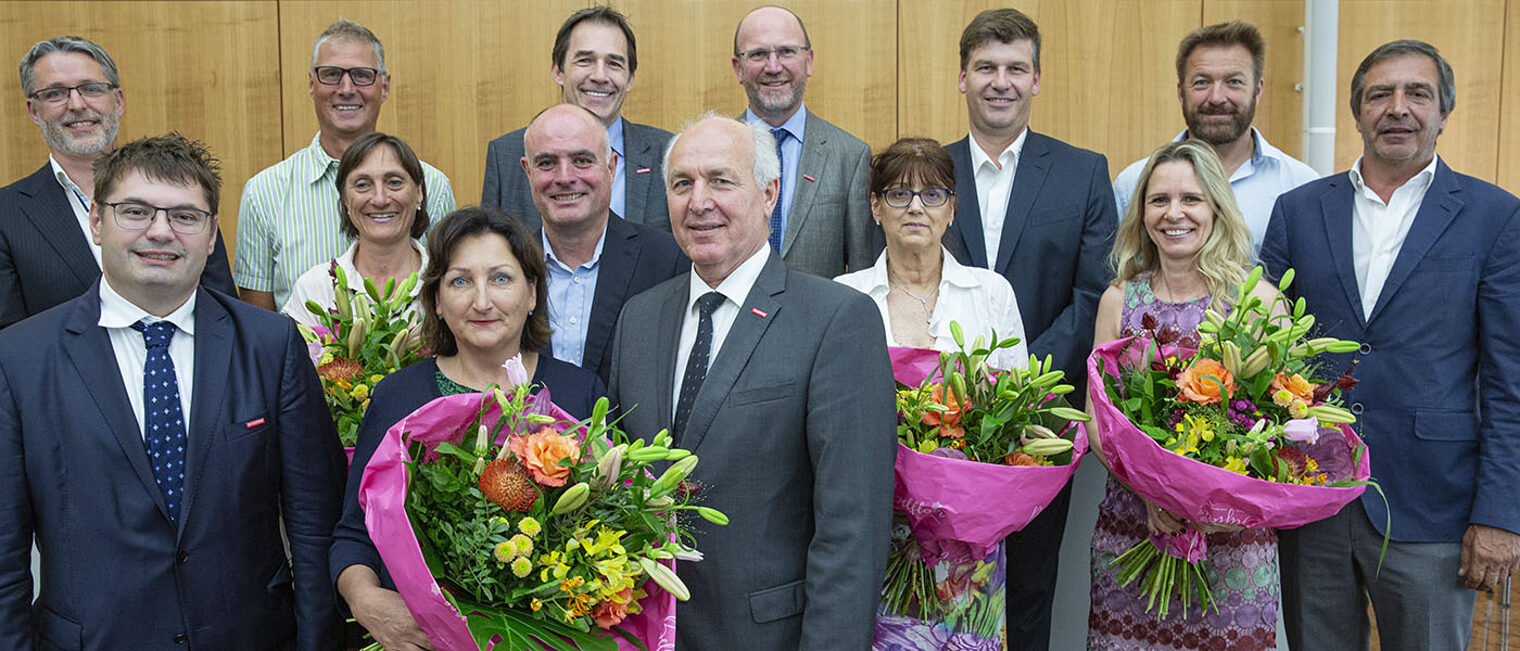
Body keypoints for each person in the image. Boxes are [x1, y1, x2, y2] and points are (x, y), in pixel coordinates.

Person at [0, 133, 344, 648]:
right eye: (135, 212)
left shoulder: (270, 345)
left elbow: (315, 523)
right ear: (97, 221)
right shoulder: (21, 357)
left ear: (210, 236)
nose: (161, 232)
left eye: (185, 216)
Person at [1262, 40, 1520, 651]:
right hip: (1311, 496)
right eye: (1380, 95)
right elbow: (1262, 348)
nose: (1397, 108)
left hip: (1432, 504)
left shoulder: (1495, 216)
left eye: (1417, 94)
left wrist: (1501, 513)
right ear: (1358, 112)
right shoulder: (1298, 211)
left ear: (1443, 113)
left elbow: (1511, 381)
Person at [606, 114, 896, 649]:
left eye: (721, 180)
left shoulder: (835, 319)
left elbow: (852, 528)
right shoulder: (638, 320)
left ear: (769, 193)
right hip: (644, 632)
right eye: (682, 183)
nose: (699, 202)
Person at [331, 206, 605, 650]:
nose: (482, 301)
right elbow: (353, 534)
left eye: (501, 278)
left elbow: (606, 532)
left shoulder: (578, 393)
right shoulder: (397, 398)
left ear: (532, 292)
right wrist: (365, 599)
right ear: (436, 299)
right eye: (460, 281)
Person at [943, 9, 1117, 645]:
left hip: (1043, 419)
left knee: (1033, 584)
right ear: (962, 77)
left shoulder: (1084, 172)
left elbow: (1093, 295)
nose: (1000, 81)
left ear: (1038, 79)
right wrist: (956, 391)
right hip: (937, 420)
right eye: (986, 67)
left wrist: (1018, 384)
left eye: (1016, 68)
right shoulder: (926, 173)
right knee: (944, 586)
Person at [1088, 140, 1281, 649]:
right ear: (1141, 212)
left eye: (1191, 199)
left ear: (1216, 206)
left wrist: (1206, 497)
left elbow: (1279, 420)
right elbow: (1098, 421)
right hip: (1134, 524)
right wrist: (1157, 492)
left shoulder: (1256, 299)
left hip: (1232, 541)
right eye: (1159, 200)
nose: (1174, 213)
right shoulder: (1119, 299)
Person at [0, 36, 235, 329]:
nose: (76, 104)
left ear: (118, 100)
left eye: (92, 89)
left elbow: (222, 310)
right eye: (55, 93)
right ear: (34, 111)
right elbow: (9, 342)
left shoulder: (180, 189)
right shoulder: (6, 213)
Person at [236, 19, 455, 311]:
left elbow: (453, 294)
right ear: (311, 85)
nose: (346, 88)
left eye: (362, 75)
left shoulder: (432, 184)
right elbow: (258, 326)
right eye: (331, 74)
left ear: (385, 86)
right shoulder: (263, 193)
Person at [1112, 21, 1319, 253]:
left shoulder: (1300, 185)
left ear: (1257, 91)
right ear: (1181, 92)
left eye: (1234, 82)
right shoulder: (1132, 184)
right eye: (1202, 82)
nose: (1217, 97)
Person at [520, 104, 686, 384]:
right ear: (528, 172)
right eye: (547, 163)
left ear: (611, 168)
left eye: (582, 160)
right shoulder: (509, 267)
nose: (565, 177)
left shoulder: (669, 261)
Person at [835, 137, 1027, 369]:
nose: (915, 207)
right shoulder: (844, 295)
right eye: (899, 194)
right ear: (876, 206)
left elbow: (1018, 400)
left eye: (932, 195)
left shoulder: (993, 293)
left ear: (951, 209)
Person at [483, 6, 672, 232]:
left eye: (614, 63)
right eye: (585, 60)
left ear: (630, 78)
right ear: (558, 71)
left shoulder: (667, 153)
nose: (600, 76)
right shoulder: (506, 155)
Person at [732, 5, 875, 278]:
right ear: (738, 68)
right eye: (758, 54)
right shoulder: (714, 151)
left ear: (808, 61)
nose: (773, 67)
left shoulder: (850, 156)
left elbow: (862, 272)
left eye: (787, 52)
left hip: (818, 319)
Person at [281, 132, 430, 328]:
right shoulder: (315, 288)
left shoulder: (445, 281)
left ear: (418, 192)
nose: (380, 199)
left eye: (394, 182)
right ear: (345, 198)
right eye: (362, 185)